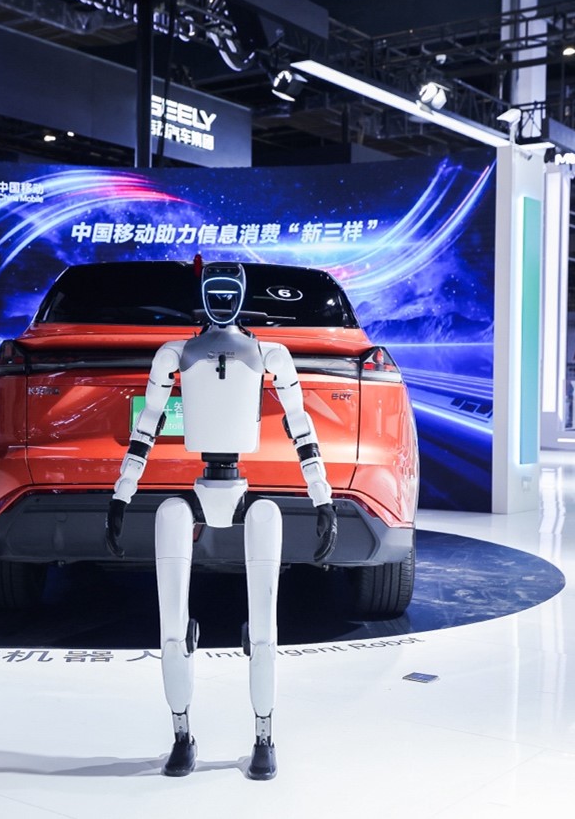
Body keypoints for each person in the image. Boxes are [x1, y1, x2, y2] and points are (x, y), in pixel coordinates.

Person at [105, 259, 337, 779]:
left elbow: (300, 425)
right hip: (193, 492)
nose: (223, 299)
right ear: (203, 293)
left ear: (243, 293)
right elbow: (147, 425)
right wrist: (121, 495)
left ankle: (264, 737)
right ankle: (181, 734)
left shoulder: (269, 353)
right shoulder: (175, 354)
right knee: (171, 629)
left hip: (248, 495)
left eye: (231, 290)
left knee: (264, 629)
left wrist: (322, 498)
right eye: (215, 289)